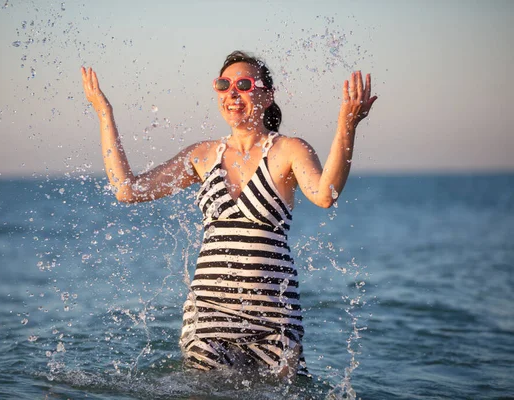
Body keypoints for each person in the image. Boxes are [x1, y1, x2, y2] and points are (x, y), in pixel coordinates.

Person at [81, 50, 377, 378]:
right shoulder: (203, 155)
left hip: (274, 324)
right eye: (223, 85)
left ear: (267, 96)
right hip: (209, 322)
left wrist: (347, 126)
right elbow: (128, 190)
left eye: (244, 84)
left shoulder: (289, 150)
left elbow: (325, 194)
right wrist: (103, 112)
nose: (232, 93)